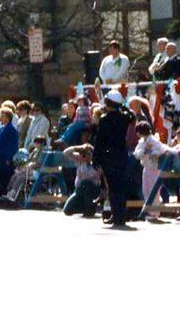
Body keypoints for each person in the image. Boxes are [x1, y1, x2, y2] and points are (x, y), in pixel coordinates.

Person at [93, 90, 133, 228]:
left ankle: (116, 216)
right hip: (121, 155)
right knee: (121, 187)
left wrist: (96, 158)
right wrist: (123, 105)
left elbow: (100, 140)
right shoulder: (125, 117)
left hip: (108, 156)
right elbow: (131, 114)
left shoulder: (104, 119)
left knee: (113, 188)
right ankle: (121, 216)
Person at [133, 122, 173, 223]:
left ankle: (154, 213)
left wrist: (152, 152)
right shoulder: (142, 141)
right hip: (146, 167)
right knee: (145, 189)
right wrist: (145, 151)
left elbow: (162, 149)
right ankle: (149, 211)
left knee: (153, 191)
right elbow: (137, 154)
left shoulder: (153, 140)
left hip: (154, 168)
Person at [61, 144, 102, 217]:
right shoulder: (80, 160)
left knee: (85, 183)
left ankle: (89, 209)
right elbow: (65, 153)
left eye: (89, 153)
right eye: (85, 153)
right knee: (67, 211)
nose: (86, 156)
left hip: (92, 191)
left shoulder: (97, 163)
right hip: (79, 191)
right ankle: (83, 207)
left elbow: (90, 177)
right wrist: (79, 148)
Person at [0, 105, 20, 207]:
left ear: (8, 117)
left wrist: (9, 158)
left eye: (2, 116)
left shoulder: (11, 130)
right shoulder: (1, 128)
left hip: (6, 159)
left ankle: (6, 200)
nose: (0, 118)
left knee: (6, 179)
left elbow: (13, 146)